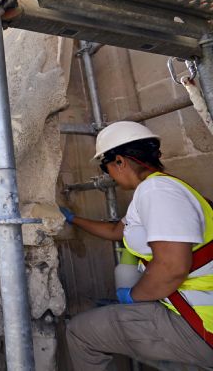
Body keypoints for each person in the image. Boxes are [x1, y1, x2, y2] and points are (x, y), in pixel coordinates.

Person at [60, 121, 213, 369]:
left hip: (200, 321)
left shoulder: (157, 191)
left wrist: (134, 297)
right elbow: (115, 231)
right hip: (181, 306)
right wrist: (72, 218)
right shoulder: (157, 190)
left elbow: (172, 267)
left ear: (119, 161)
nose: (107, 174)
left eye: (105, 166)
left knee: (80, 333)